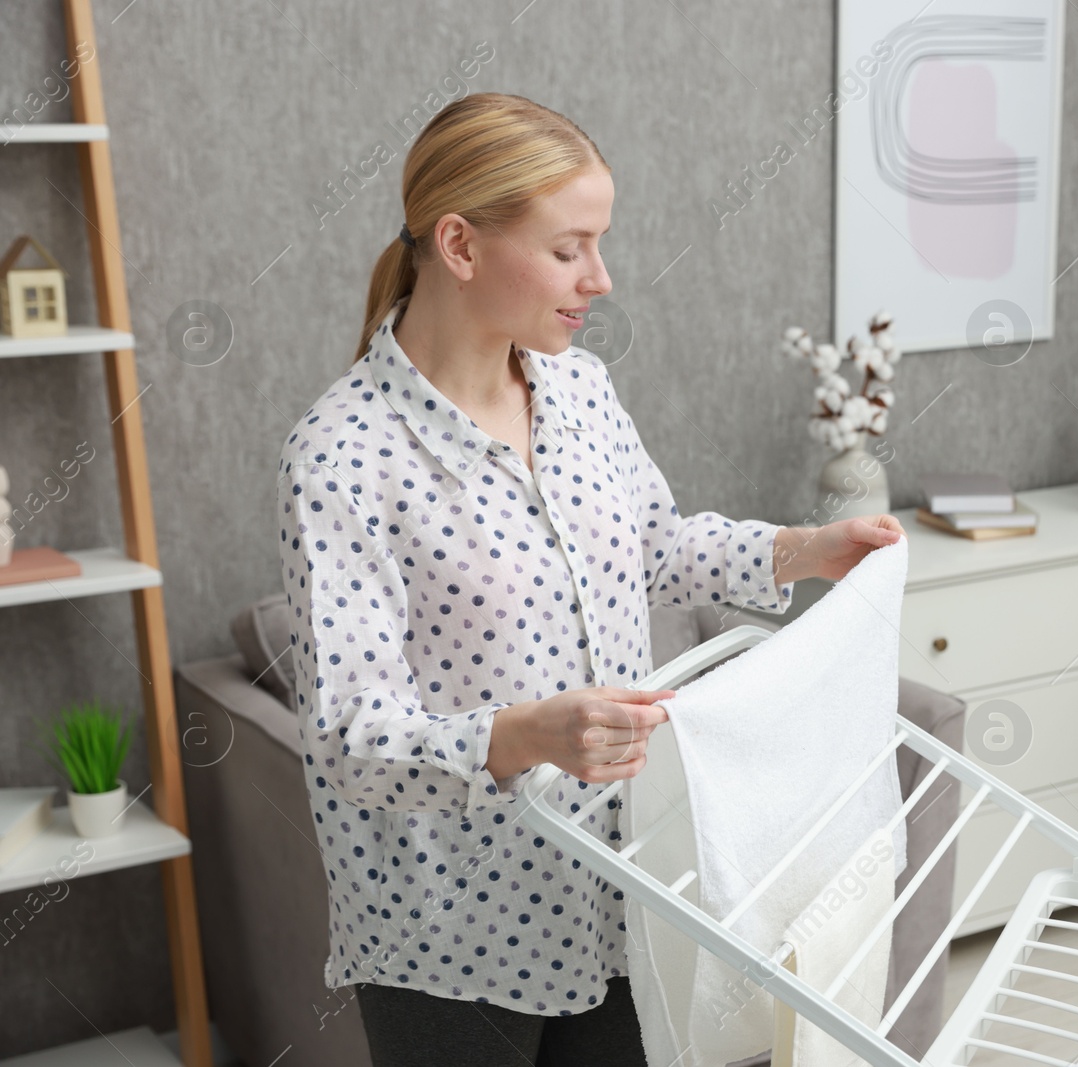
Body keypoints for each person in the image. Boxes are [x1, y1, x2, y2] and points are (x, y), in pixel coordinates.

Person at [275, 91, 905, 1067]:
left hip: (619, 885)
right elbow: (350, 735)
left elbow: (651, 548)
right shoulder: (343, 454)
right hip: (451, 934)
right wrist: (527, 734)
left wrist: (802, 549)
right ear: (460, 244)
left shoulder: (579, 389)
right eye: (570, 248)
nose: (600, 278)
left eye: (599, 244)